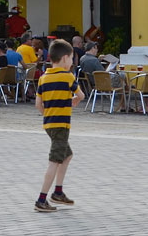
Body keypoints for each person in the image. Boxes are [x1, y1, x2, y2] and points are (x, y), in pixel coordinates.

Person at [33, 39, 84, 213]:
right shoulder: (68, 76)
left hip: (49, 124)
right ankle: (41, 198)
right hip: (61, 125)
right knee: (54, 161)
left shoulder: (43, 78)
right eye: (71, 59)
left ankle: (58, 192)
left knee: (67, 155)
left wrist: (48, 113)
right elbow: (81, 95)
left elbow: (38, 104)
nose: (71, 63)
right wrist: (75, 99)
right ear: (64, 59)